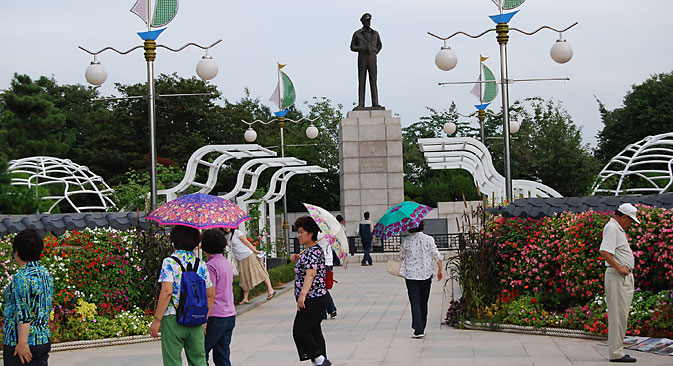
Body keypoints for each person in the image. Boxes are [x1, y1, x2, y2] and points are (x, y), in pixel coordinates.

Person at [149, 225, 215, 366]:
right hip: (196, 318)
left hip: (173, 318)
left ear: (174, 241)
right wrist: (204, 319)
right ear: (196, 243)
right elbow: (211, 295)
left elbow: (167, 292)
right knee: (199, 361)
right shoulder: (201, 265)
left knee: (172, 361)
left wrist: (156, 320)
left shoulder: (170, 263)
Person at [3, 228, 54, 366]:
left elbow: (23, 313)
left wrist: (22, 343)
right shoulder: (45, 274)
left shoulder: (21, 277)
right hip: (42, 339)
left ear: (17, 252)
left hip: (21, 343)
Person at [599, 203, 639, 363]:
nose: (630, 225)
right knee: (617, 315)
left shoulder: (616, 228)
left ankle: (618, 350)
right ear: (623, 217)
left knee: (621, 315)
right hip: (617, 276)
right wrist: (619, 267)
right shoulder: (612, 228)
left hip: (621, 276)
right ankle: (616, 352)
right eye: (630, 221)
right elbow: (604, 251)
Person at [290, 216, 331, 366]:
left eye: (302, 232)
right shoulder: (310, 250)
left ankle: (320, 360)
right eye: (298, 232)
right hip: (317, 297)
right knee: (313, 331)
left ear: (311, 233)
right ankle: (318, 361)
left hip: (313, 298)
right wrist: (296, 259)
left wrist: (302, 296)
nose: (299, 235)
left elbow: (311, 274)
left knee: (300, 331)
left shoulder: (312, 252)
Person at [398, 220, 443, 339]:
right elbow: (436, 254)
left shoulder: (406, 241)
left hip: (411, 276)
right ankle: (421, 324)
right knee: (424, 301)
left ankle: (418, 329)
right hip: (426, 274)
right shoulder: (429, 239)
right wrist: (440, 270)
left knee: (415, 302)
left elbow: (401, 256)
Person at [202, 229, 236, 366]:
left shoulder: (210, 266)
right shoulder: (225, 263)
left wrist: (204, 319)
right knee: (222, 355)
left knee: (200, 352)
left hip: (215, 315)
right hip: (229, 314)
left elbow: (210, 293)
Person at [222, 226, 275, 304]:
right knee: (244, 278)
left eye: (227, 226)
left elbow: (246, 242)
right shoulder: (225, 237)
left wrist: (255, 250)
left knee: (260, 271)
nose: (226, 228)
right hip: (240, 259)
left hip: (248, 255)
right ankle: (245, 298)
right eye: (224, 227)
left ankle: (270, 289)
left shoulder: (237, 233)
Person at [350, 12, 383, 109]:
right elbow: (352, 47)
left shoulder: (375, 33)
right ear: (363, 21)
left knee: (373, 80)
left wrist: (375, 51)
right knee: (362, 80)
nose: (368, 22)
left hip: (372, 57)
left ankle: (375, 103)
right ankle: (361, 103)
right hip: (362, 57)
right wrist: (362, 48)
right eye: (366, 20)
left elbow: (380, 45)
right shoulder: (357, 34)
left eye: (369, 20)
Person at [316, 233, 338, 319]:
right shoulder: (330, 234)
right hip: (329, 262)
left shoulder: (317, 235)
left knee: (321, 287)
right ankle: (327, 310)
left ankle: (330, 309)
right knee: (322, 287)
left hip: (321, 262)